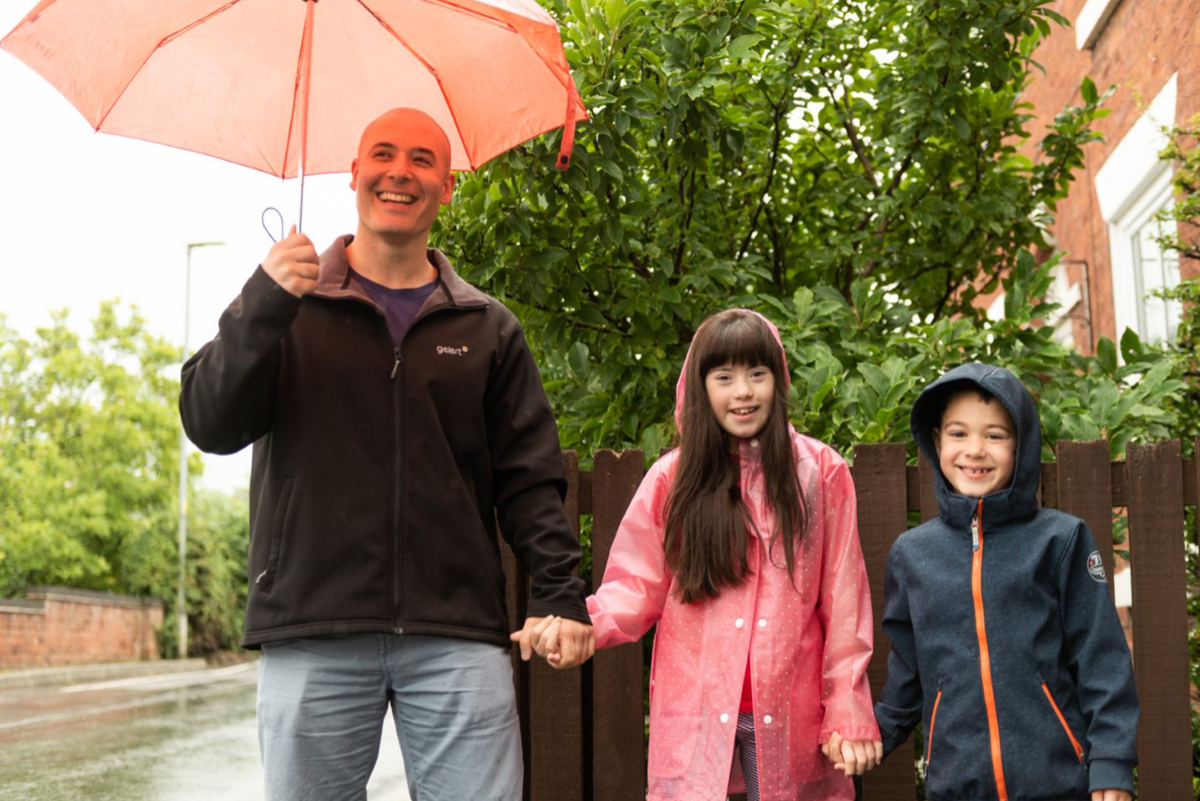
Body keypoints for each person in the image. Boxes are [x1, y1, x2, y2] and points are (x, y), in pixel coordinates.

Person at [179, 108, 593, 801]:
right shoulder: (285, 307)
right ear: (354, 173)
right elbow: (208, 421)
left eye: (423, 159)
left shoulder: (487, 327)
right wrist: (262, 301)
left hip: (456, 631)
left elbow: (529, 480)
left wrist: (559, 591)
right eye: (383, 153)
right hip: (313, 624)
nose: (400, 171)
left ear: (448, 186)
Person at [536, 309, 881, 800]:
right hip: (695, 711)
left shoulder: (820, 472)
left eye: (756, 374)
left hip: (790, 713)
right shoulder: (672, 479)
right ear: (701, 388)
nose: (743, 392)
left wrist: (847, 704)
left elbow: (845, 602)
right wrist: (586, 625)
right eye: (724, 377)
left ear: (777, 382)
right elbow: (636, 584)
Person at [871, 363, 1139, 801]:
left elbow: (1101, 660)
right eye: (958, 434)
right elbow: (908, 675)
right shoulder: (911, 555)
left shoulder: (1060, 540)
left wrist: (1110, 764)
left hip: (1058, 784)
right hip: (956, 787)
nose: (975, 449)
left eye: (995, 435)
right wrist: (874, 734)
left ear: (1022, 446)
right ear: (936, 441)